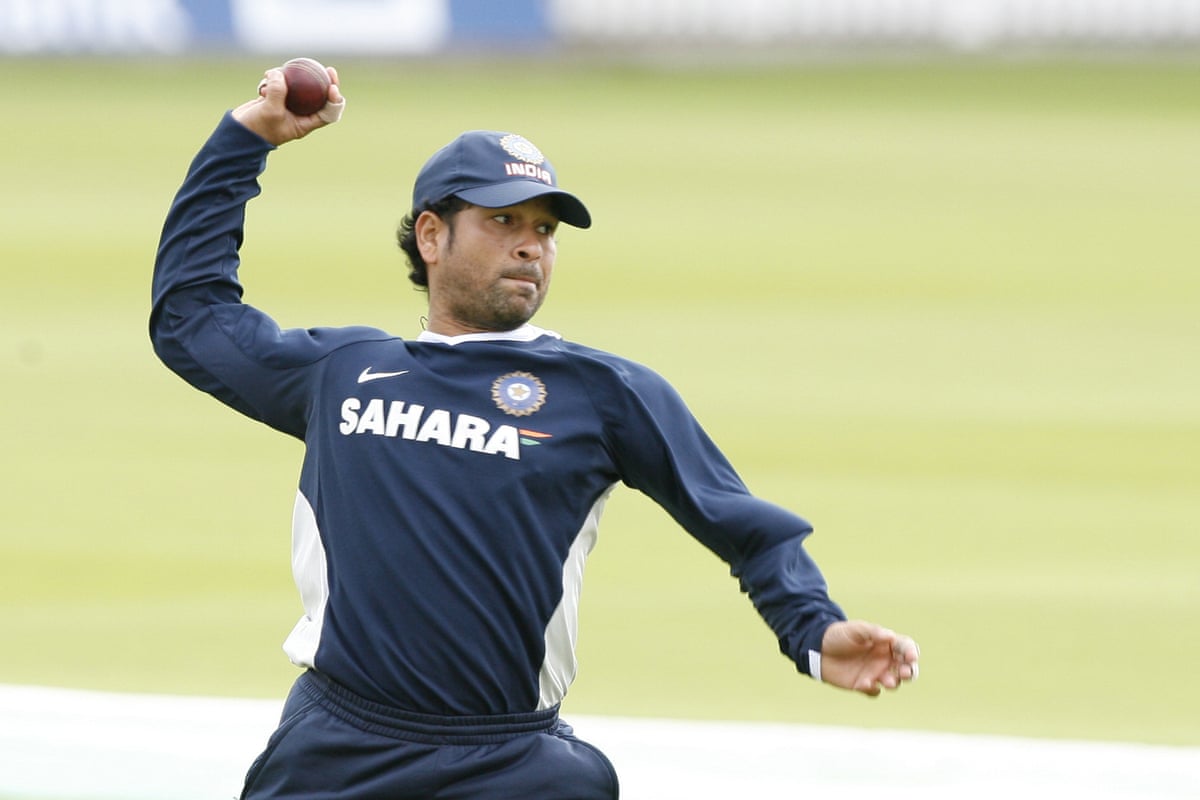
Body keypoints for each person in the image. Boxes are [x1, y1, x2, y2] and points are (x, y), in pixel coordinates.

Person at [151, 63, 920, 800]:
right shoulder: (343, 372)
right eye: (503, 221)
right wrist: (247, 135)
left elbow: (744, 527)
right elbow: (192, 318)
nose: (532, 245)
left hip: (514, 762)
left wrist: (813, 629)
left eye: (546, 229)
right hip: (340, 746)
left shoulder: (605, 394)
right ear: (431, 235)